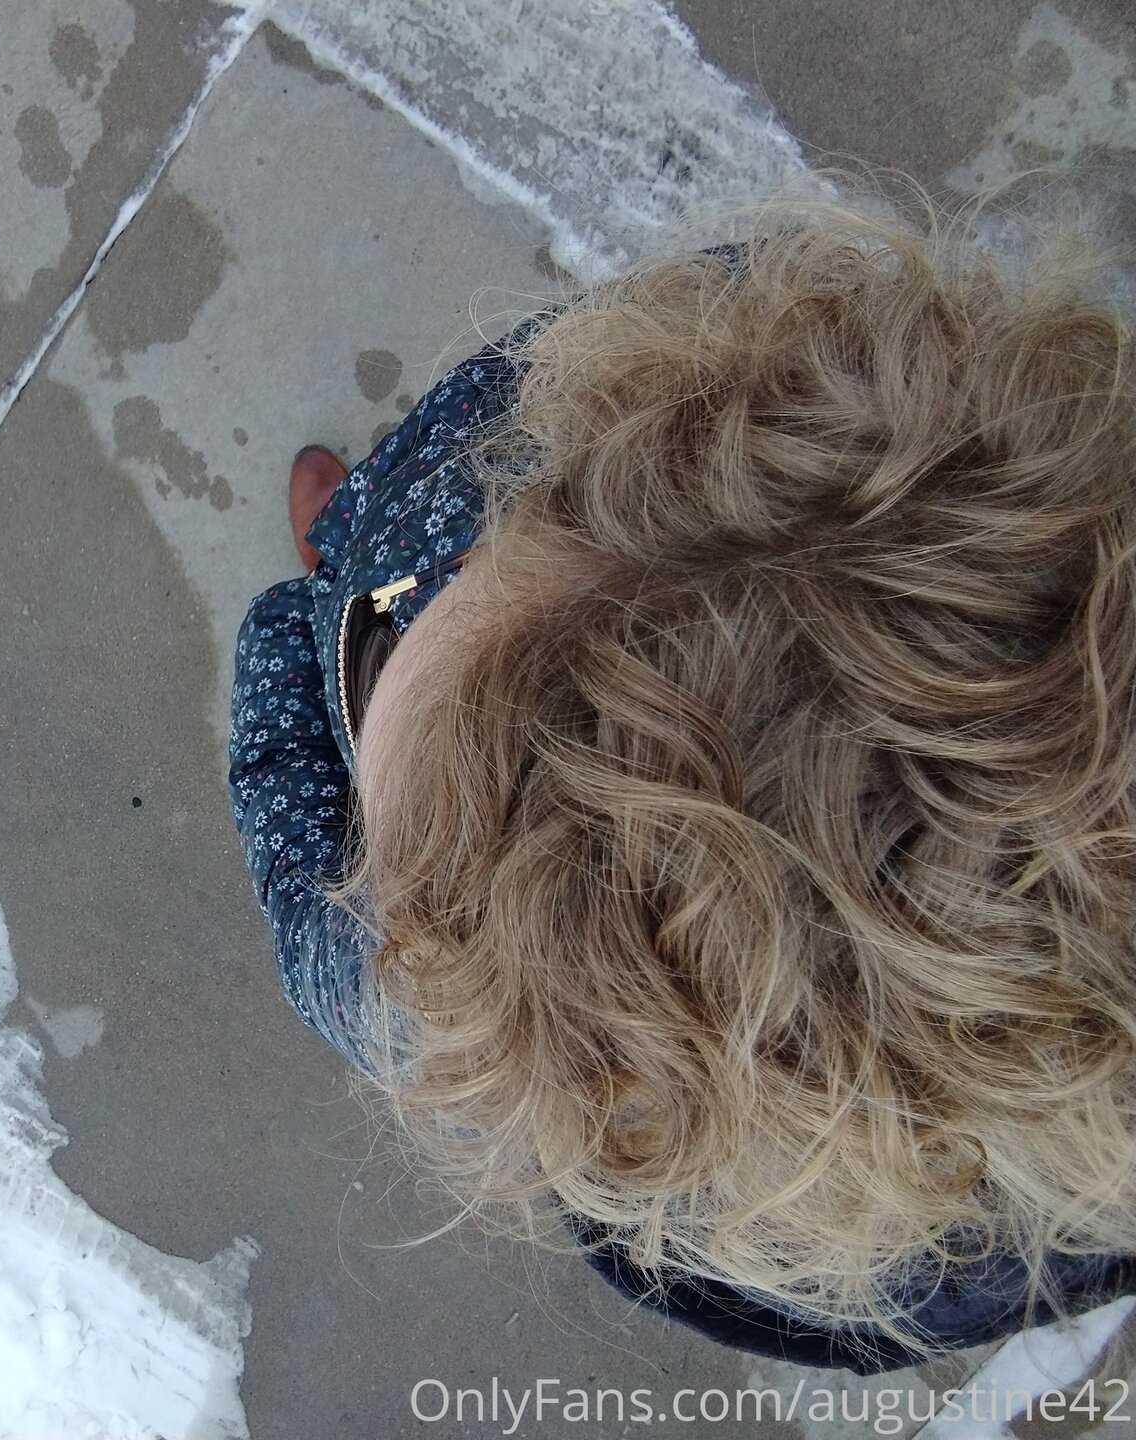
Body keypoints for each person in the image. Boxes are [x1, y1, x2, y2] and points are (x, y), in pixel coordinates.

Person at [226, 189, 1136, 1372]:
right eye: (522, 528)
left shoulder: (432, 1004)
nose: (454, 577)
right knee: (404, 531)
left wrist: (291, 644)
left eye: (411, 852)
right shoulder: (730, 387)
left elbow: (315, 898)